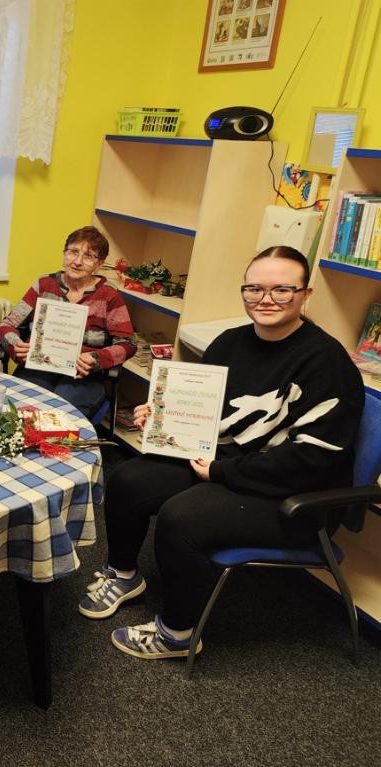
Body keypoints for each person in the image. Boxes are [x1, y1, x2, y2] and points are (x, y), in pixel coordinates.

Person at [78, 246, 364, 660]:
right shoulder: (230, 342)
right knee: (128, 479)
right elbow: (199, 409)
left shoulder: (327, 363)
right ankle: (123, 574)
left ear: (306, 294)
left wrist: (219, 472)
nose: (266, 299)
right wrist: (160, 415)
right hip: (225, 461)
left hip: (292, 494)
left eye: (282, 289)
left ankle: (177, 635)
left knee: (181, 517)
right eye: (254, 289)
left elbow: (312, 461)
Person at [0, 226, 136, 419]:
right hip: (39, 368)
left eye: (88, 257)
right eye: (73, 252)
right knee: (20, 412)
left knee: (58, 415)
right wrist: (16, 345)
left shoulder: (109, 295)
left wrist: (96, 359)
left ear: (99, 265)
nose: (77, 262)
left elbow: (127, 344)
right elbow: (8, 324)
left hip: (83, 376)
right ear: (64, 254)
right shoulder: (44, 285)